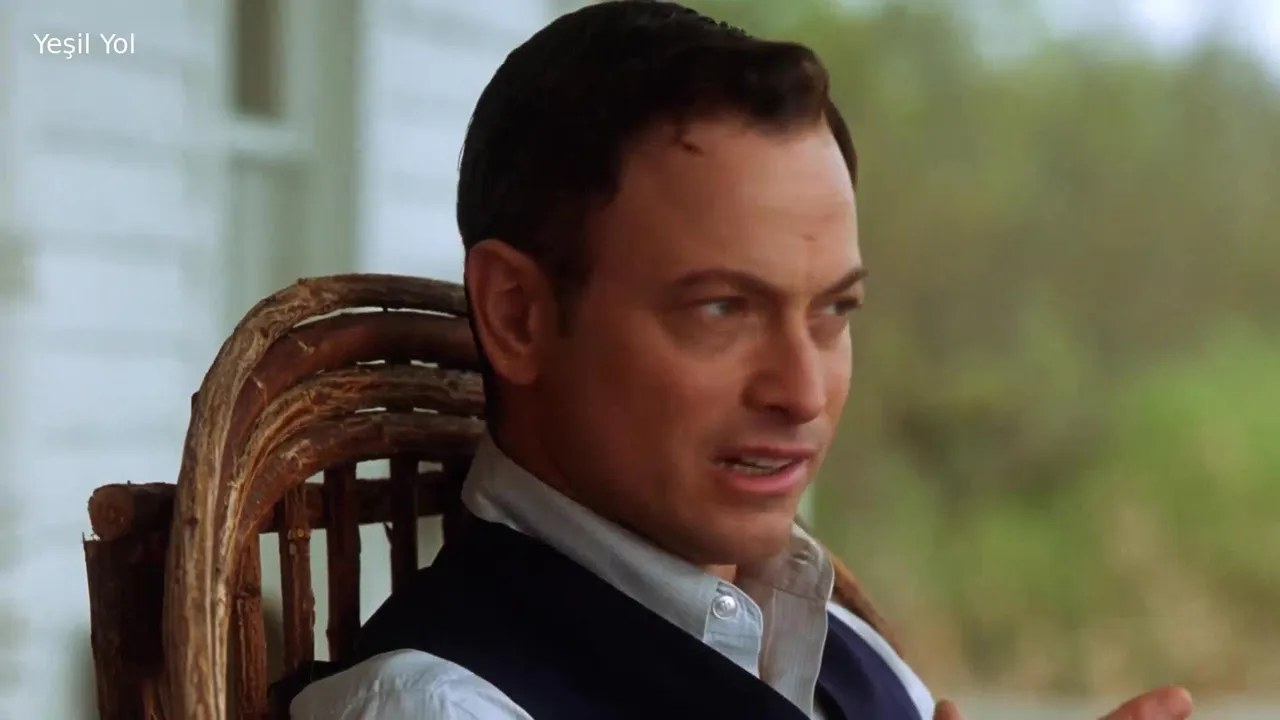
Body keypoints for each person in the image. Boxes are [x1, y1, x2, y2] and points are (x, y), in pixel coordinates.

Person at [287, 2, 1195, 718]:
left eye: (833, 311)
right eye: (722, 308)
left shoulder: (844, 650)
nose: (802, 392)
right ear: (517, 315)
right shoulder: (438, 703)